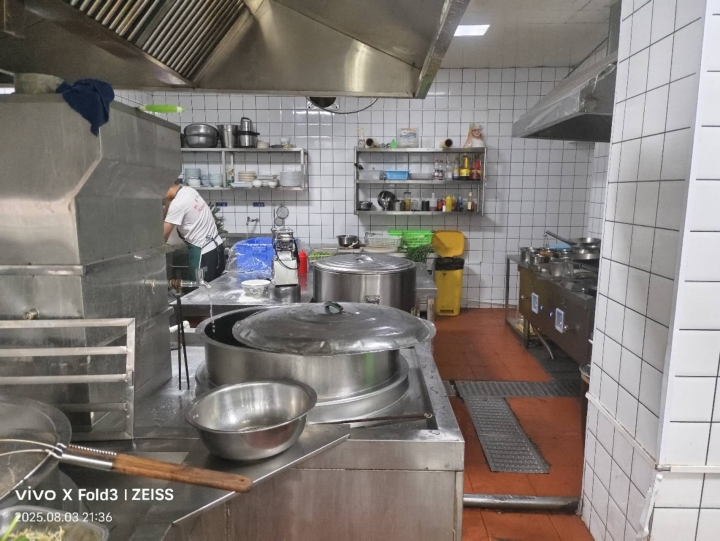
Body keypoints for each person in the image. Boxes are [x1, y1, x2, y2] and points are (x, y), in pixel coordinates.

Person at [164, 182, 226, 282]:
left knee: (200, 289)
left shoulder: (177, 204)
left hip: (203, 253)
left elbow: (164, 234)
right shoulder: (189, 191)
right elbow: (167, 213)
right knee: (215, 287)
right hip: (217, 247)